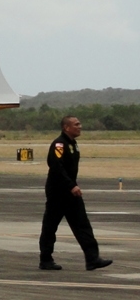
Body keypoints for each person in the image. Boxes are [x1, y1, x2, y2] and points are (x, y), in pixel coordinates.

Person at [38, 115, 112, 271]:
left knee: (83, 225)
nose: (80, 126)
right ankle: (45, 259)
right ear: (66, 127)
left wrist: (72, 186)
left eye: (80, 123)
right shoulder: (59, 144)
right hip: (58, 193)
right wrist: (71, 185)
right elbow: (56, 166)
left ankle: (92, 259)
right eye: (76, 124)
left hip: (71, 193)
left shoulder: (73, 144)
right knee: (50, 227)